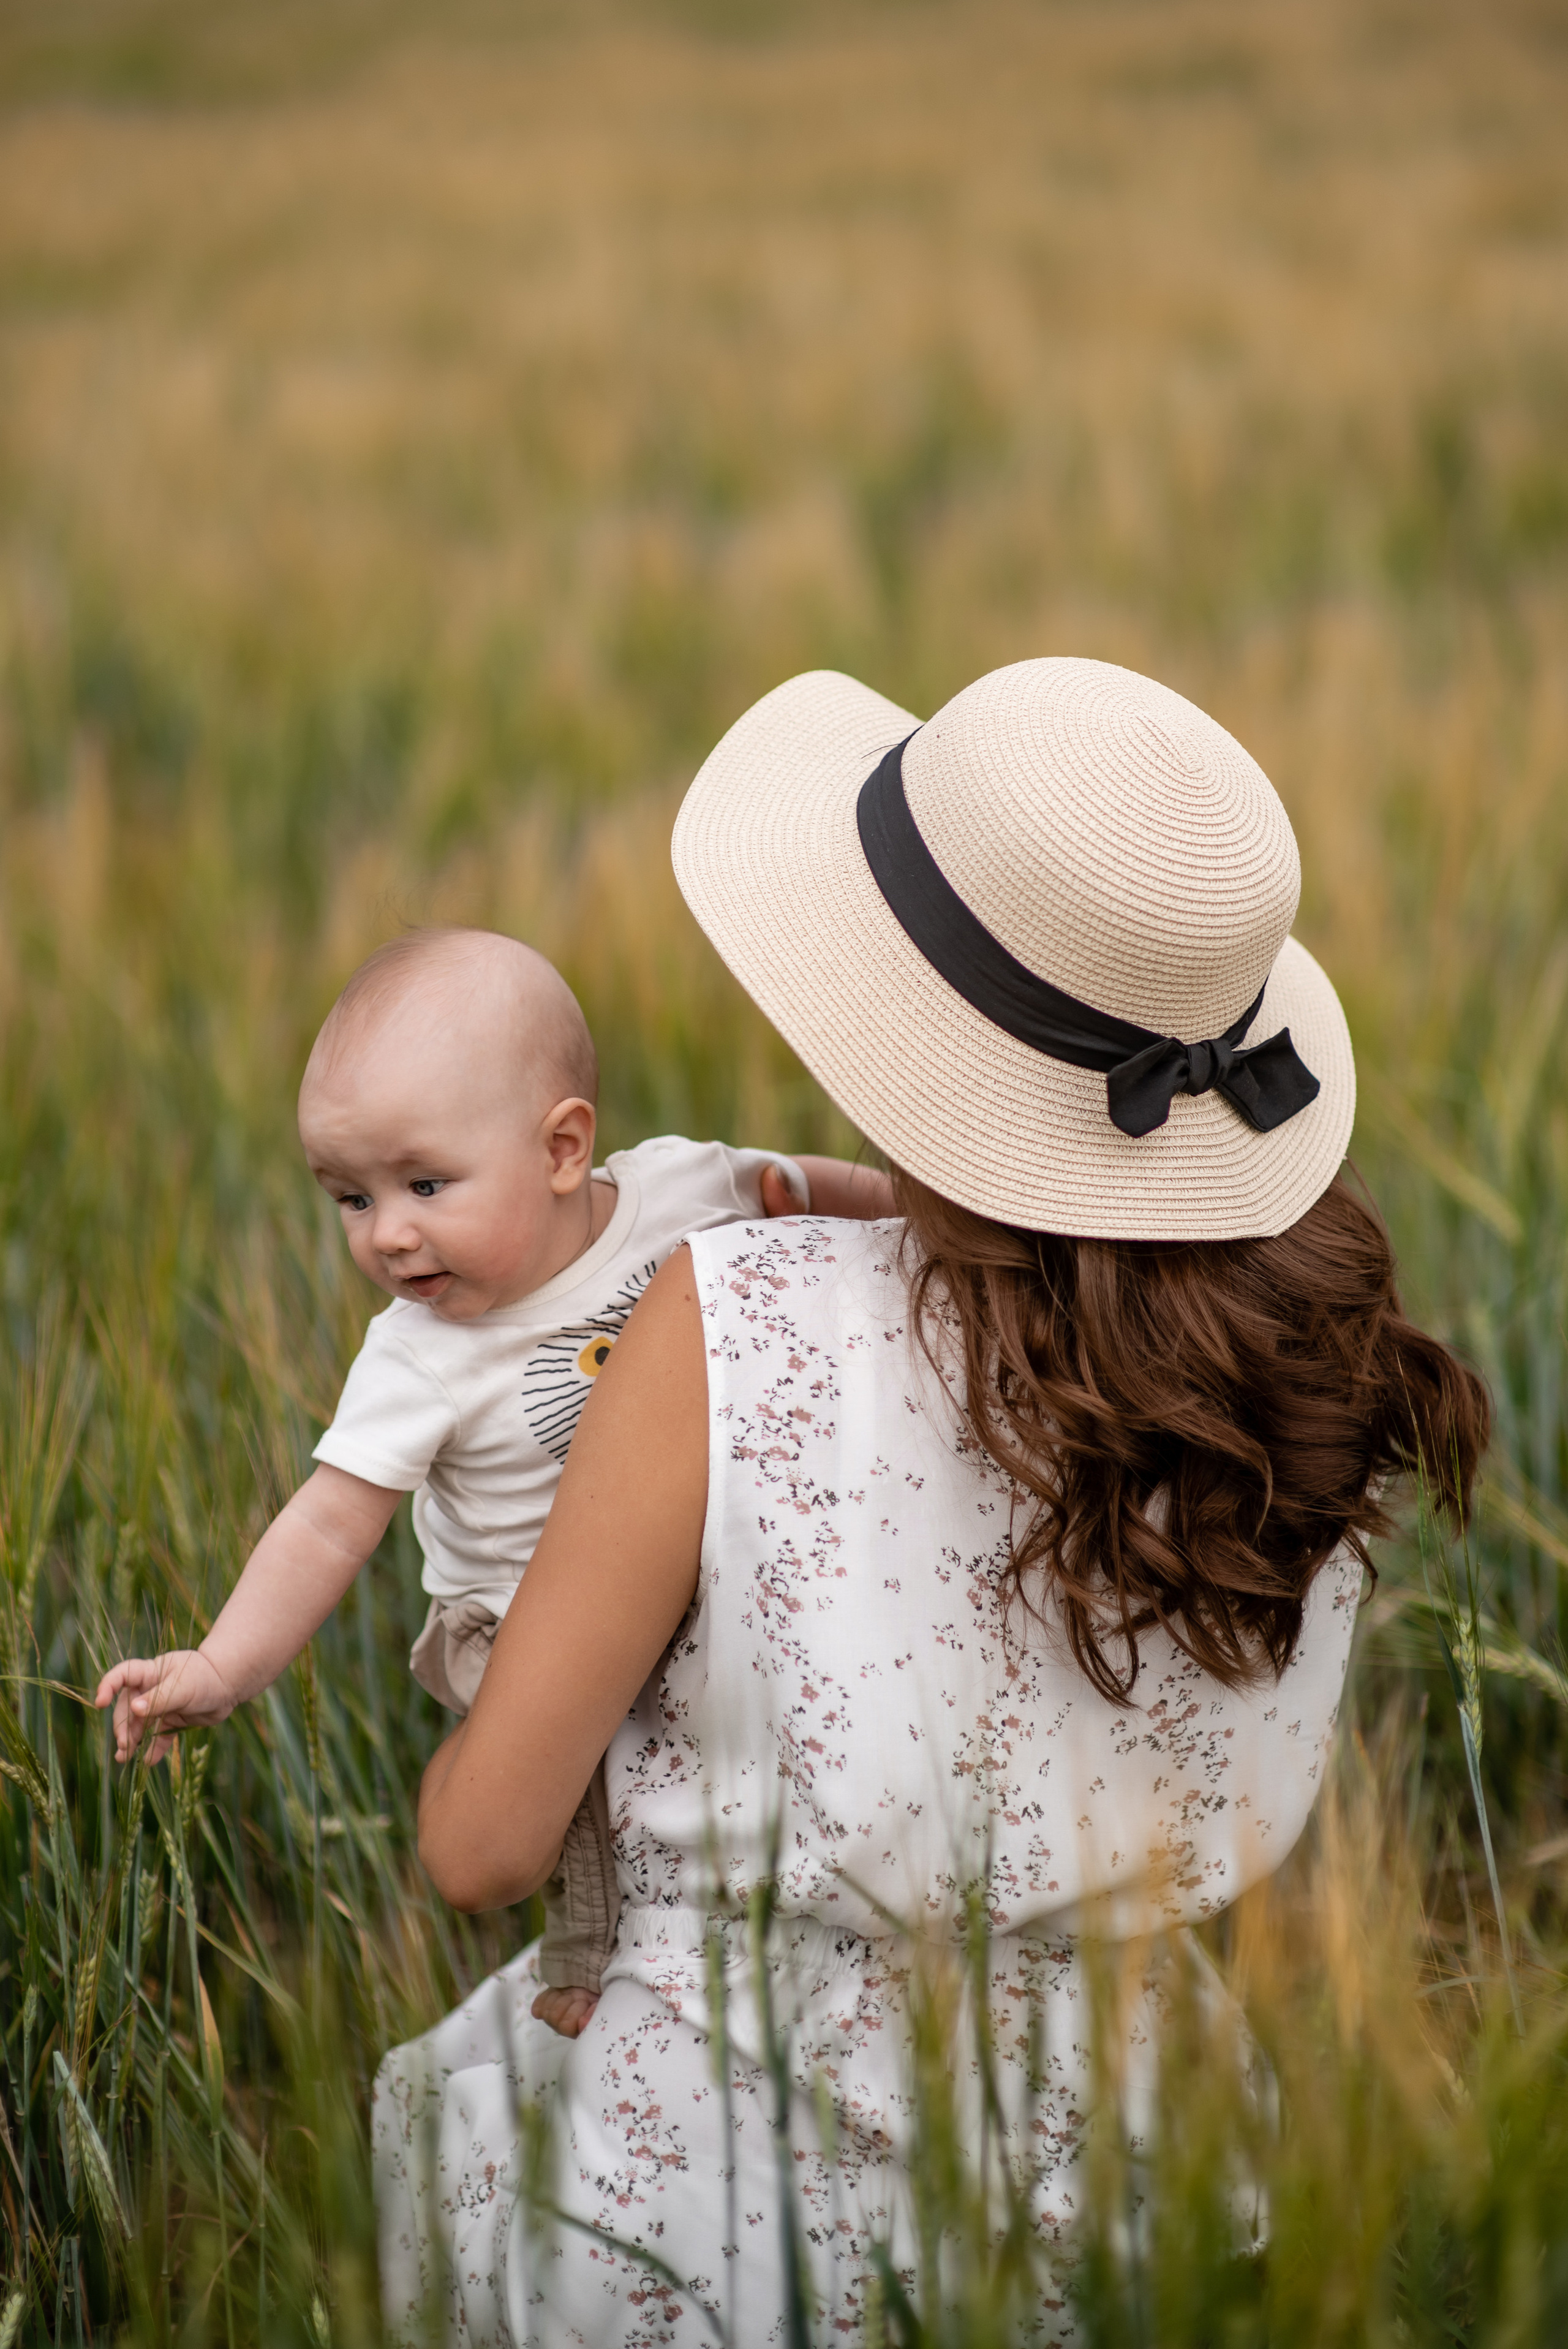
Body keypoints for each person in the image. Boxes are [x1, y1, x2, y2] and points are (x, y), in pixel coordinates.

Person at [377, 658, 1489, 2345]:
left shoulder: (731, 1323)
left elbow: (482, 1848)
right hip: (1148, 2184)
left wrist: (479, 1650)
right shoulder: (1311, 1376)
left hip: (709, 2198)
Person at [95, 927, 887, 2034]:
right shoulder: (419, 1353)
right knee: (588, 1795)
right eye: (350, 1199)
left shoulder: (674, 1192)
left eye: (424, 1182)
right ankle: (586, 1961)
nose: (390, 1236)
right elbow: (329, 1523)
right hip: (513, 1617)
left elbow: (792, 1186)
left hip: (691, 1576)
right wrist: (226, 1664)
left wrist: (899, 1215)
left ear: (565, 1148)